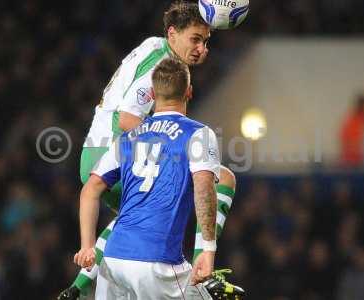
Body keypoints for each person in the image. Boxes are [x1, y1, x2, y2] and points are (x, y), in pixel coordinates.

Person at [58, 2, 243, 299]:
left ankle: (79, 287)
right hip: (111, 149)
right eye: (195, 39)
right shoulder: (161, 60)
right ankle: (203, 265)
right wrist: (172, 142)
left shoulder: (155, 49)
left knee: (134, 220)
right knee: (220, 178)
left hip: (95, 154)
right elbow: (126, 116)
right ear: (173, 34)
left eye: (206, 41)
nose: (201, 48)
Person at [74, 57, 219, 299]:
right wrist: (208, 248)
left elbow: (90, 189)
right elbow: (204, 188)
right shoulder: (198, 134)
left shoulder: (127, 138)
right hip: (159, 263)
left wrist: (87, 245)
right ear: (189, 92)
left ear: (152, 93)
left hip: (114, 261)